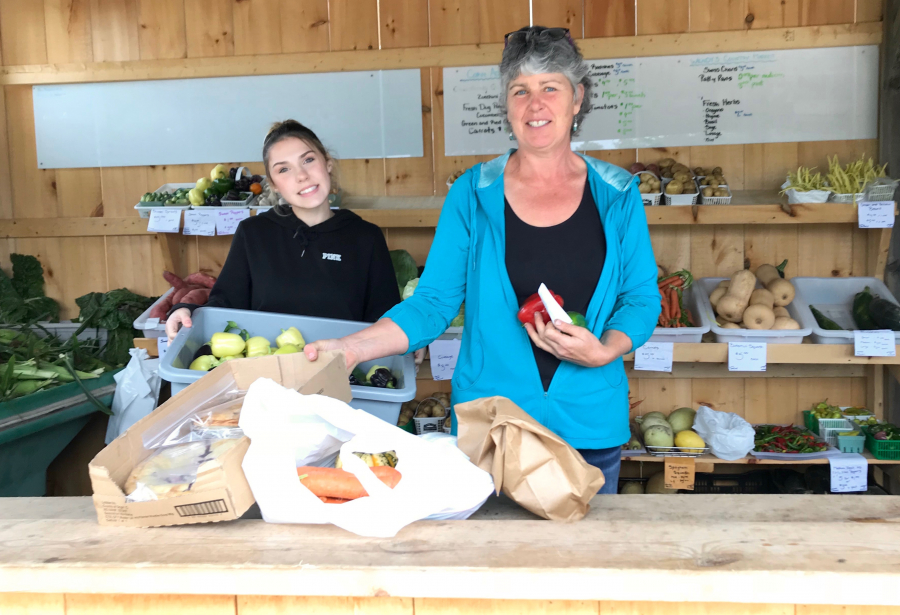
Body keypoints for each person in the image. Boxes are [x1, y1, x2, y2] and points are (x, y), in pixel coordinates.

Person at [305, 26, 660, 493]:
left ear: (577, 100)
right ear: (507, 106)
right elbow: (433, 302)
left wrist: (605, 350)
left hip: (589, 418)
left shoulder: (616, 195)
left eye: (550, 87)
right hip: (492, 424)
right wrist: (354, 348)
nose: (536, 104)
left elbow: (639, 298)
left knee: (585, 559)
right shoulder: (472, 194)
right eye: (521, 90)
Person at [166, 120, 400, 341]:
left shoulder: (366, 237)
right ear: (274, 185)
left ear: (327, 163)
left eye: (308, 160)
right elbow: (225, 304)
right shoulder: (253, 233)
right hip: (265, 374)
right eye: (284, 169)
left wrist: (405, 337)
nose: (301, 176)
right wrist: (186, 310)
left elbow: (385, 316)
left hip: (343, 372)